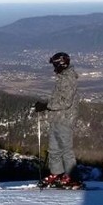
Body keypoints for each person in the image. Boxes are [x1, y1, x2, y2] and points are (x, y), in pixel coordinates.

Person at [34, 52, 81, 189]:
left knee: (66, 149)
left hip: (65, 119)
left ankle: (72, 177)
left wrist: (45, 106)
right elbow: (58, 100)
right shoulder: (62, 77)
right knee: (54, 149)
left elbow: (65, 102)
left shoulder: (68, 79)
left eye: (55, 64)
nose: (54, 67)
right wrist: (46, 106)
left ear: (61, 64)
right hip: (57, 117)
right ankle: (57, 174)